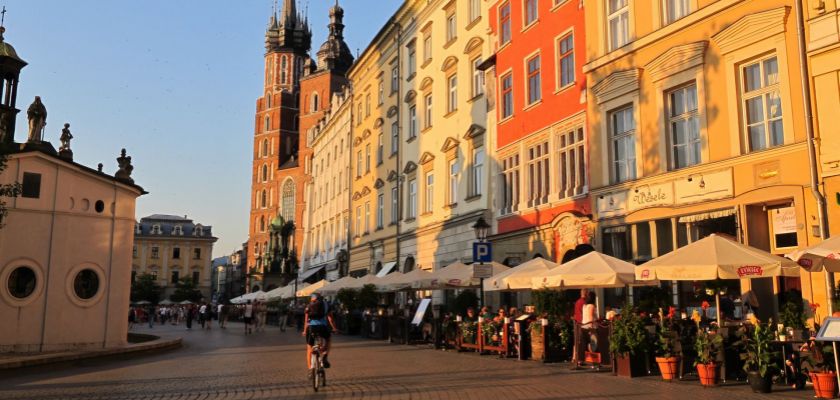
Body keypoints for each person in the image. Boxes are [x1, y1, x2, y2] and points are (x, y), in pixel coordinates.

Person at [303, 293, 337, 370]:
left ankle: (310, 369)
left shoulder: (309, 305)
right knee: (328, 340)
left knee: (309, 348)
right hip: (323, 328)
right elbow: (330, 319)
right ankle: (325, 355)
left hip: (311, 328)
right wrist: (334, 328)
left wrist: (304, 331)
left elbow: (306, 321)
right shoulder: (326, 305)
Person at [572, 288, 590, 368]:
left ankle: (575, 358)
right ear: (586, 294)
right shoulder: (584, 302)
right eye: (588, 293)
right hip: (582, 324)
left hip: (577, 323)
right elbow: (584, 314)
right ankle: (579, 360)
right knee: (581, 342)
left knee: (577, 341)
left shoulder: (577, 302)